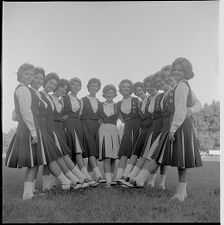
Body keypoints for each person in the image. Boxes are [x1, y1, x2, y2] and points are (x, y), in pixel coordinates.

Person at [128, 57, 203, 201]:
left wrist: (189, 111)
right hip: (170, 125)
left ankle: (181, 192)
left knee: (181, 159)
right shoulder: (173, 88)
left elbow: (189, 107)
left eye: (180, 70)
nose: (176, 72)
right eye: (175, 69)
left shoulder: (182, 86)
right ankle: (140, 179)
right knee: (160, 153)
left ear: (186, 72)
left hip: (179, 126)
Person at [60, 77, 98, 187]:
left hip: (77, 126)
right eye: (74, 84)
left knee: (78, 151)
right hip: (67, 126)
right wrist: (62, 118)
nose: (76, 87)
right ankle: (82, 178)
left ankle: (82, 177)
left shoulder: (80, 101)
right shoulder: (63, 98)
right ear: (70, 86)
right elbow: (57, 110)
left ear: (80, 87)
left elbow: (81, 115)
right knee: (69, 152)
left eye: (78, 85)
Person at [121, 82, 151, 180]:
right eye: (136, 91)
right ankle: (127, 176)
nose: (138, 92)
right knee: (139, 153)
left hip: (152, 128)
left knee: (149, 154)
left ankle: (153, 180)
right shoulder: (141, 102)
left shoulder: (150, 98)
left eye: (140, 90)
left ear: (144, 89)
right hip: (144, 128)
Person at [113, 79, 141, 183]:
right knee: (124, 151)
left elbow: (142, 113)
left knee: (137, 152)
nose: (126, 88)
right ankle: (118, 177)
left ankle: (130, 176)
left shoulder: (136, 100)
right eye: (124, 86)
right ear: (120, 89)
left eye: (128, 87)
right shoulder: (118, 104)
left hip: (139, 126)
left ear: (131, 89)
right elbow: (121, 119)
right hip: (128, 126)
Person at [80, 78, 105, 183]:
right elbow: (78, 114)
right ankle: (98, 175)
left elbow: (101, 116)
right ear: (88, 87)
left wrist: (101, 120)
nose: (94, 88)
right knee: (90, 149)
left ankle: (89, 177)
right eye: (92, 86)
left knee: (93, 151)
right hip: (85, 126)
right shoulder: (83, 100)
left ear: (98, 88)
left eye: (96, 86)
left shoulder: (100, 102)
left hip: (96, 128)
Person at [98, 84, 120, 187]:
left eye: (111, 93)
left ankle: (111, 179)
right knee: (106, 156)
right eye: (107, 93)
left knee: (113, 157)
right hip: (103, 129)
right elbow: (95, 116)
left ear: (114, 94)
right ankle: (108, 181)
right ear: (104, 94)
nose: (109, 94)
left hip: (114, 130)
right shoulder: (100, 105)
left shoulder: (117, 105)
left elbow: (123, 118)